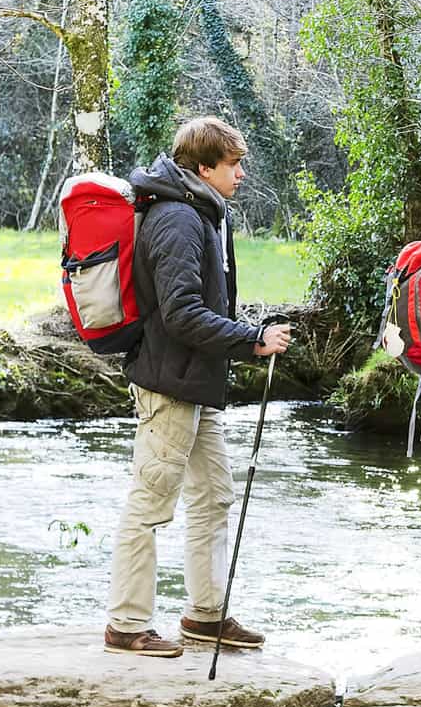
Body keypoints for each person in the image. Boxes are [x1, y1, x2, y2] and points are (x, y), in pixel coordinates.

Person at [104, 116, 292, 657]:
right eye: (233, 165)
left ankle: (205, 616)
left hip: (197, 381)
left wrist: (240, 342)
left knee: (214, 496)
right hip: (169, 383)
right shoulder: (178, 220)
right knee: (151, 502)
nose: (241, 175)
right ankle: (126, 624)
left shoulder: (204, 211)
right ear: (203, 167)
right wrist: (252, 340)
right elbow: (183, 314)